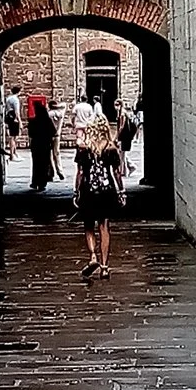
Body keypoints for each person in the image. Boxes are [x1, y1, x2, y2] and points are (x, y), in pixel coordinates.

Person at [78, 104, 122, 282]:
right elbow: (117, 173)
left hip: (88, 190)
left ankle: (92, 256)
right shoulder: (111, 148)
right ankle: (104, 267)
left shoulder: (83, 148)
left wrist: (75, 193)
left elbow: (80, 173)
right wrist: (121, 191)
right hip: (106, 190)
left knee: (89, 225)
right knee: (104, 227)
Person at [26, 92, 57, 199]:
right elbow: (53, 132)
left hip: (36, 145)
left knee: (36, 164)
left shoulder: (33, 121)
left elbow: (30, 134)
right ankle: (42, 183)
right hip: (45, 145)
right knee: (44, 164)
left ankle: (35, 181)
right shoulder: (47, 121)